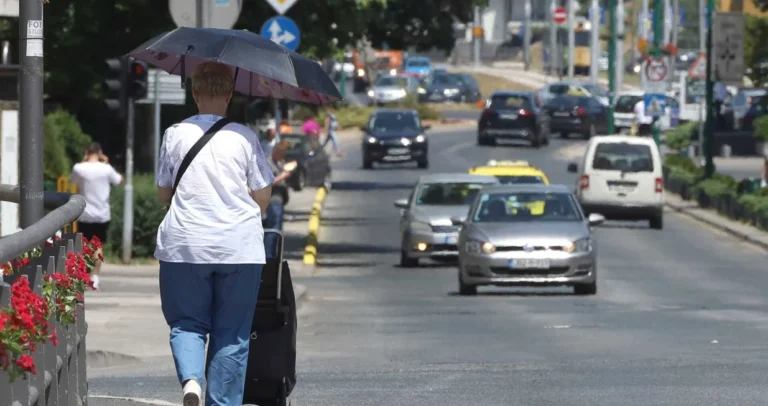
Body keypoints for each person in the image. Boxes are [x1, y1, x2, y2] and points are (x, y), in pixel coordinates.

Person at [154, 61, 275, 406]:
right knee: (232, 336)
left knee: (187, 323)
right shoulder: (244, 136)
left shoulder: (175, 133)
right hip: (239, 248)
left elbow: (164, 192)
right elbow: (263, 194)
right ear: (230, 93)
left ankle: (191, 380)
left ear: (194, 92)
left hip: (184, 247)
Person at [70, 142, 123, 291]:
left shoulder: (79, 168)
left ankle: (83, 276)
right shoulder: (106, 169)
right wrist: (106, 162)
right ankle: (95, 278)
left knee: (84, 246)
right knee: (98, 247)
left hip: (85, 213)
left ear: (86, 152)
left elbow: (73, 182)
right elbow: (120, 181)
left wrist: (83, 160)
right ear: (100, 153)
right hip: (102, 214)